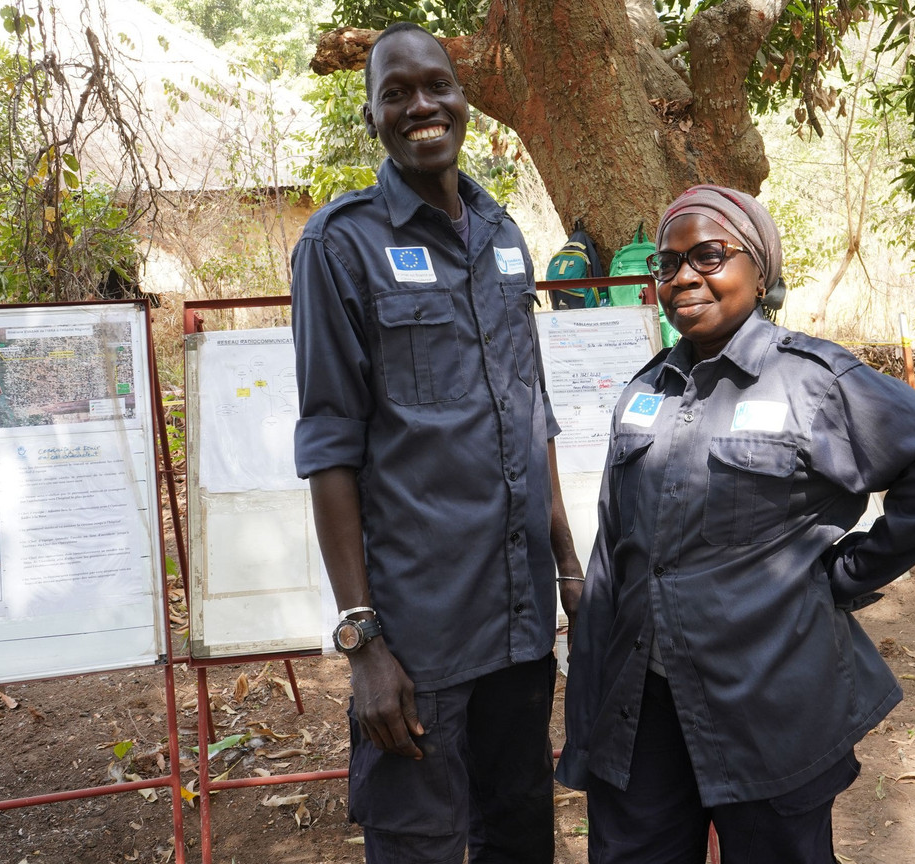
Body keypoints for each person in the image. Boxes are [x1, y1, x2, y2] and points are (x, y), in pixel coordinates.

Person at [556, 185, 915, 863]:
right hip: (642, 707)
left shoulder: (813, 380)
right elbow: (618, 546)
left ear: (759, 270)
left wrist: (846, 576)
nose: (684, 278)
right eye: (666, 266)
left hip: (766, 700)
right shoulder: (644, 392)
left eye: (708, 255)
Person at [290, 22, 583, 864]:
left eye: (437, 87)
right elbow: (328, 448)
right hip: (420, 635)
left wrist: (567, 564)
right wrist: (363, 642)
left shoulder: (503, 234)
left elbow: (532, 410)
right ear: (371, 117)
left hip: (522, 624)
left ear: (464, 100)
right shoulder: (338, 245)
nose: (422, 105)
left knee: (521, 830)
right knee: (418, 841)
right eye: (396, 92)